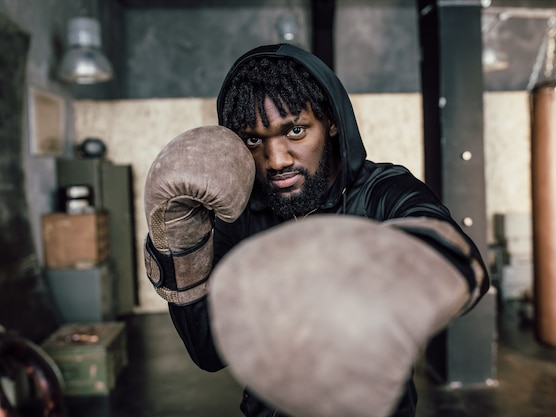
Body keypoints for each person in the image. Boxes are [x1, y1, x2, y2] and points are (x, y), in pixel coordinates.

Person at [143, 43, 489, 417]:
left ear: (331, 121)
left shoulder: (382, 191)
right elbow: (209, 352)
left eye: (295, 131)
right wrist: (183, 244)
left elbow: (463, 265)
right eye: (254, 140)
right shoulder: (239, 214)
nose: (276, 160)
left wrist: (377, 277)